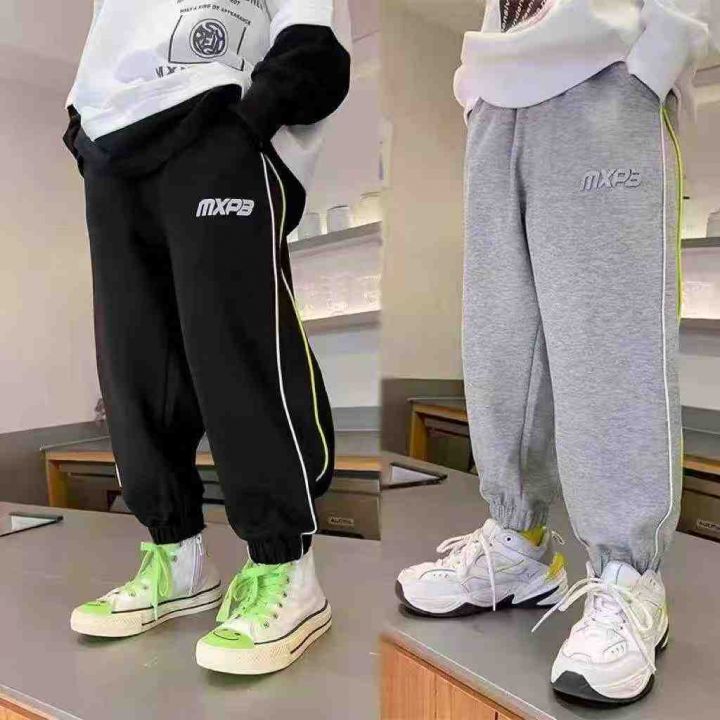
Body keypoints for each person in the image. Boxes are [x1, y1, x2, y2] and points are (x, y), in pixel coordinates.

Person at [396, 0, 717, 705]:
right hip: (499, 93)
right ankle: (520, 542)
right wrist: (477, 93)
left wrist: (658, 52)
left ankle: (631, 576)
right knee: (501, 344)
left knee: (611, 344)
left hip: (607, 79)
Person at [63, 0, 350, 676]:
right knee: (134, 364)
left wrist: (251, 119)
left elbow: (315, 38)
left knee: (238, 352)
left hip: (216, 119)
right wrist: (82, 129)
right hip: (111, 143)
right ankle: (178, 559)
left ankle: (287, 570)